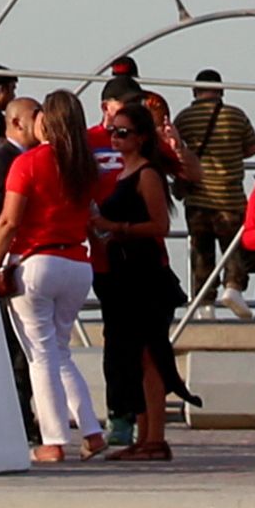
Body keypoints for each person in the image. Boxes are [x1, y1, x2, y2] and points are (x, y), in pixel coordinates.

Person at [0, 90, 104, 462]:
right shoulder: (85, 167)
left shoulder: (29, 163)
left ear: (47, 122)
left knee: (39, 354)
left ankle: (53, 440)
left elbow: (8, 221)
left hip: (37, 261)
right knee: (59, 350)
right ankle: (91, 429)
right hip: (76, 261)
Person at [89, 86, 193, 457]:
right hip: (122, 271)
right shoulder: (125, 172)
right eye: (114, 131)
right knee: (134, 353)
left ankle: (155, 437)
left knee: (151, 353)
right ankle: (144, 435)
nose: (116, 138)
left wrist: (116, 228)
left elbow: (159, 225)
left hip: (144, 271)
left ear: (141, 137)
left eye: (124, 133)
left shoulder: (146, 173)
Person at [173, 70, 255, 302]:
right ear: (221, 90)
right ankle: (233, 288)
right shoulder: (236, 116)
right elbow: (252, 149)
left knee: (202, 253)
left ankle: (204, 303)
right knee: (233, 249)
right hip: (230, 197)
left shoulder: (184, 119)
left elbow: (174, 151)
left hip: (198, 199)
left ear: (195, 91)